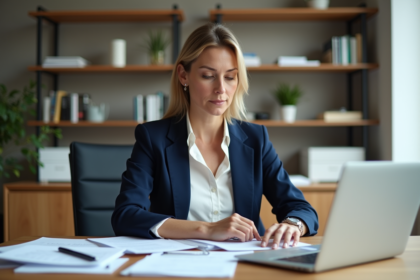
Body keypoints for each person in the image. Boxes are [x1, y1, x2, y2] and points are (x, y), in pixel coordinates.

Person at [112, 23, 318, 249]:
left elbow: (301, 209)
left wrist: (293, 224)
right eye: (208, 76)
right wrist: (207, 229)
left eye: (230, 77)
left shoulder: (255, 139)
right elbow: (126, 215)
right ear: (184, 76)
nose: (221, 88)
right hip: (178, 262)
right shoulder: (153, 138)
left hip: (244, 263)